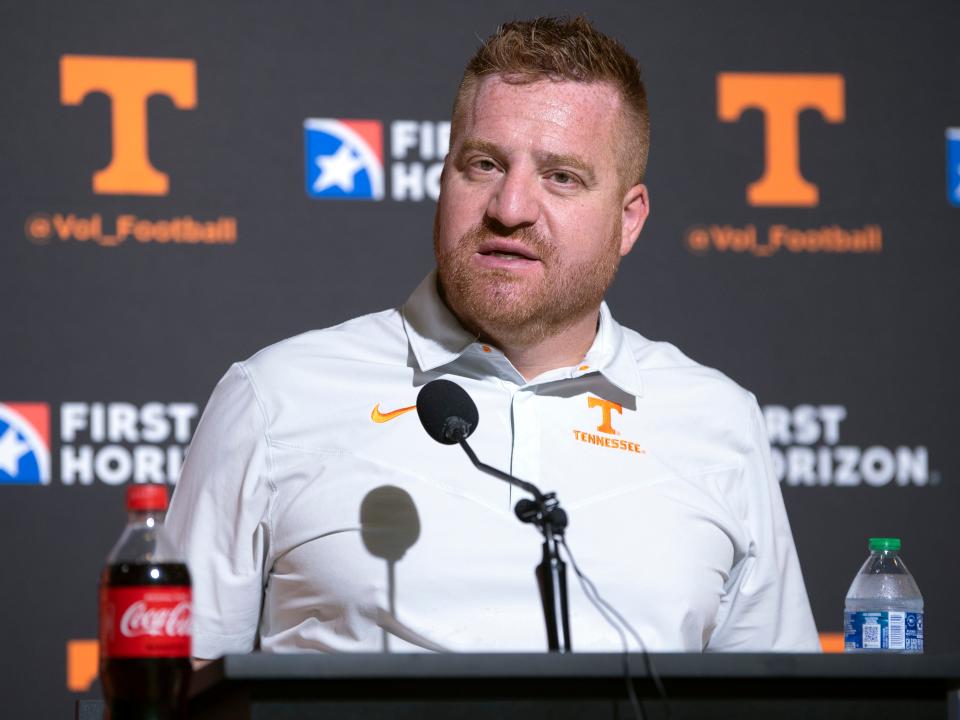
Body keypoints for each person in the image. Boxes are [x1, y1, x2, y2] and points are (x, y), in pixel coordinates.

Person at [166, 16, 820, 659]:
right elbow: (167, 693)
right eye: (482, 164)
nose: (510, 208)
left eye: (562, 177)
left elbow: (781, 703)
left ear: (629, 219)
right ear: (443, 175)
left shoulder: (719, 422)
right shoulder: (274, 399)